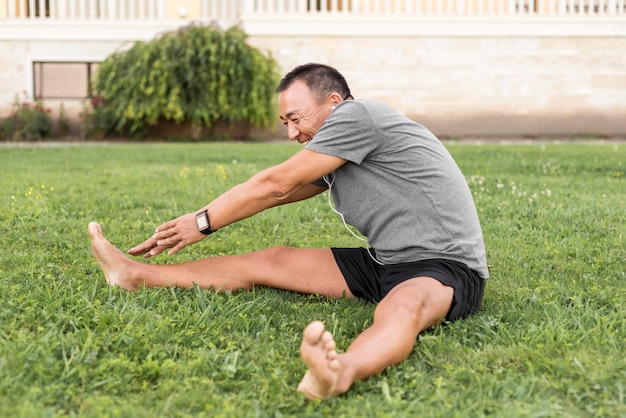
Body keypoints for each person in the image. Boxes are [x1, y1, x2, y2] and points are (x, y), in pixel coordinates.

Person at [88, 63, 489, 400]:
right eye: (285, 123)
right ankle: (135, 275)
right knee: (271, 259)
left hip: (445, 266)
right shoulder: (336, 151)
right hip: (384, 261)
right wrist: (201, 217)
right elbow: (282, 193)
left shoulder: (357, 116)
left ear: (334, 102)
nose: (292, 134)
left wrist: (203, 223)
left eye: (296, 119)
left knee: (402, 309)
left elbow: (275, 184)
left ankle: (339, 372)